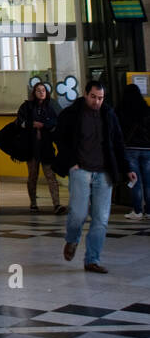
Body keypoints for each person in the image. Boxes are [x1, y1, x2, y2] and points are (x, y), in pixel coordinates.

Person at [54, 79, 137, 273]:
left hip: (103, 171)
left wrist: (127, 167)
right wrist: (71, 162)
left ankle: (92, 259)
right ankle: (72, 239)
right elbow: (60, 138)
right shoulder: (72, 114)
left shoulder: (108, 114)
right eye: (93, 97)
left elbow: (118, 142)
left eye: (100, 98)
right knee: (78, 214)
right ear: (85, 94)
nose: (97, 102)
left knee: (101, 219)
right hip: (80, 169)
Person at [16, 81, 63, 213]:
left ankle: (57, 204)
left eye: (43, 90)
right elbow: (19, 122)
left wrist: (45, 125)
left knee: (50, 175)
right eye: (38, 90)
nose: (41, 92)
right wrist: (33, 124)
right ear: (34, 93)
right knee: (32, 175)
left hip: (46, 146)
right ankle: (33, 203)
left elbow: (58, 122)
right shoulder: (27, 106)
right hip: (31, 146)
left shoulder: (52, 105)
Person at [116, 82, 150, 220]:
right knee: (148, 181)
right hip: (147, 149)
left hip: (130, 149)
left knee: (135, 180)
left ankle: (137, 210)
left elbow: (117, 130)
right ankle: (149, 211)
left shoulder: (121, 110)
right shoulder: (146, 109)